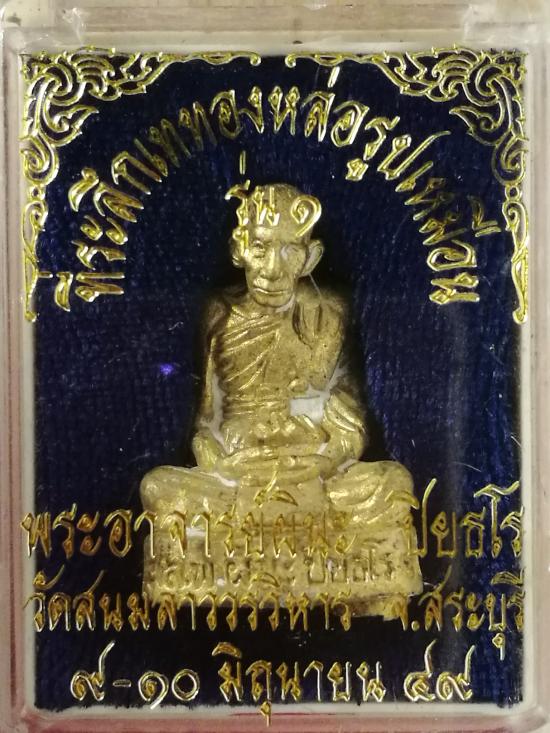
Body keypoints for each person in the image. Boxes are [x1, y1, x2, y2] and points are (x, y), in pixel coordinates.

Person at [141, 183, 421, 617]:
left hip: (312, 466)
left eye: (290, 251)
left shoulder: (328, 314)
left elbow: (348, 418)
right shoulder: (220, 315)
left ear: (311, 257)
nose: (273, 269)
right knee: (159, 488)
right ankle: (302, 563)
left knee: (392, 484)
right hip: (239, 472)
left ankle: (320, 569)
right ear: (240, 249)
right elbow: (206, 422)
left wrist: (326, 459)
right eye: (261, 247)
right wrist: (221, 464)